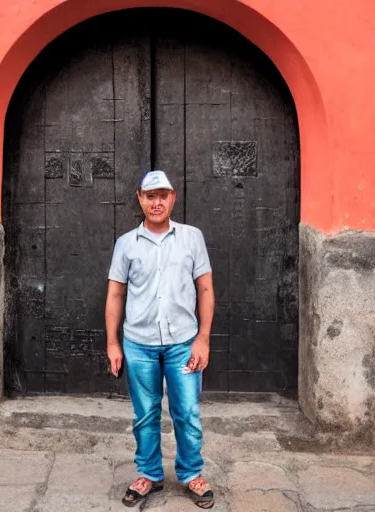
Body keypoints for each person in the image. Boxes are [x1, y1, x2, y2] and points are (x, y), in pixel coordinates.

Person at [105, 170, 215, 509]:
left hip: (184, 342)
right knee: (145, 414)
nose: (157, 202)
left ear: (173, 198)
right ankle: (149, 473)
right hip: (139, 344)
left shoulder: (191, 238)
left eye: (163, 195)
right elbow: (115, 294)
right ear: (139, 198)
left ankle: (191, 472)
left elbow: (206, 289)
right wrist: (112, 343)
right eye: (150, 195)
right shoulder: (126, 244)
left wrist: (203, 339)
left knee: (187, 412)